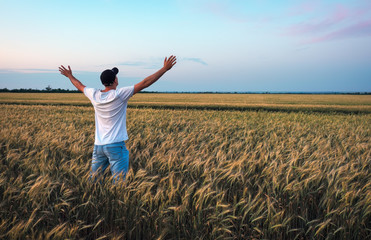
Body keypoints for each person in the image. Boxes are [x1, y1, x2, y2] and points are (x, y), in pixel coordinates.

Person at [59, 55, 177, 182]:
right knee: (119, 183)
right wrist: (164, 69)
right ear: (115, 80)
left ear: (103, 82)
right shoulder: (119, 95)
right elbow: (145, 83)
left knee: (93, 181)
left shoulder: (94, 94)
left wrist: (69, 76)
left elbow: (79, 85)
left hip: (98, 146)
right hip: (115, 145)